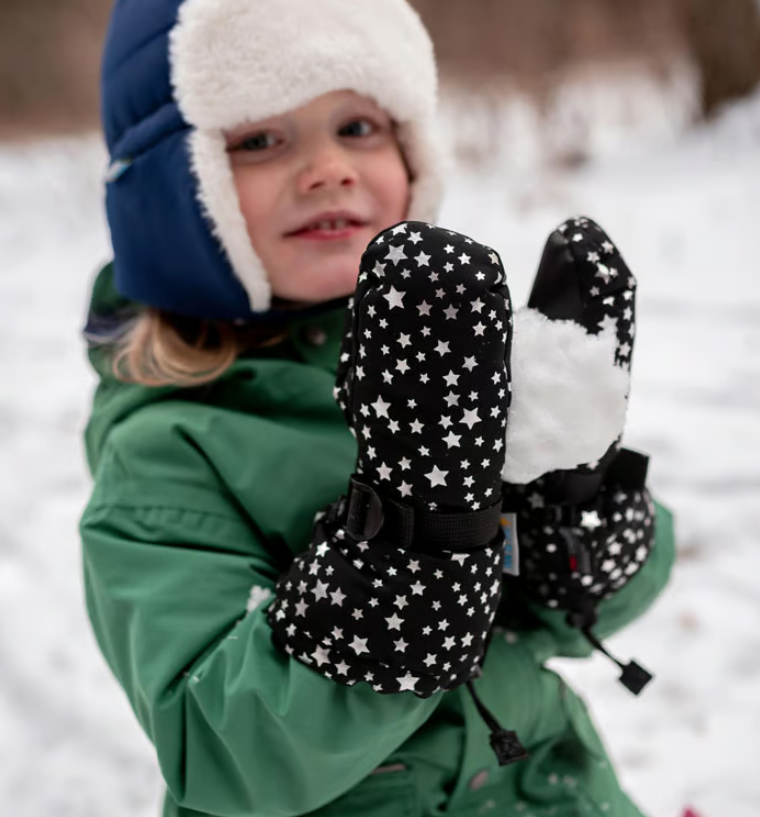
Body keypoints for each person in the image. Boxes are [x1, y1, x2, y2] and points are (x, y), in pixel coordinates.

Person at [80, 1, 676, 816]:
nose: (328, 167)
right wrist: (409, 544)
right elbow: (223, 750)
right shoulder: (168, 453)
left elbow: (566, 623)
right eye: (259, 139)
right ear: (171, 190)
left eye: (358, 126)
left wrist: (569, 510)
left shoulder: (458, 359)